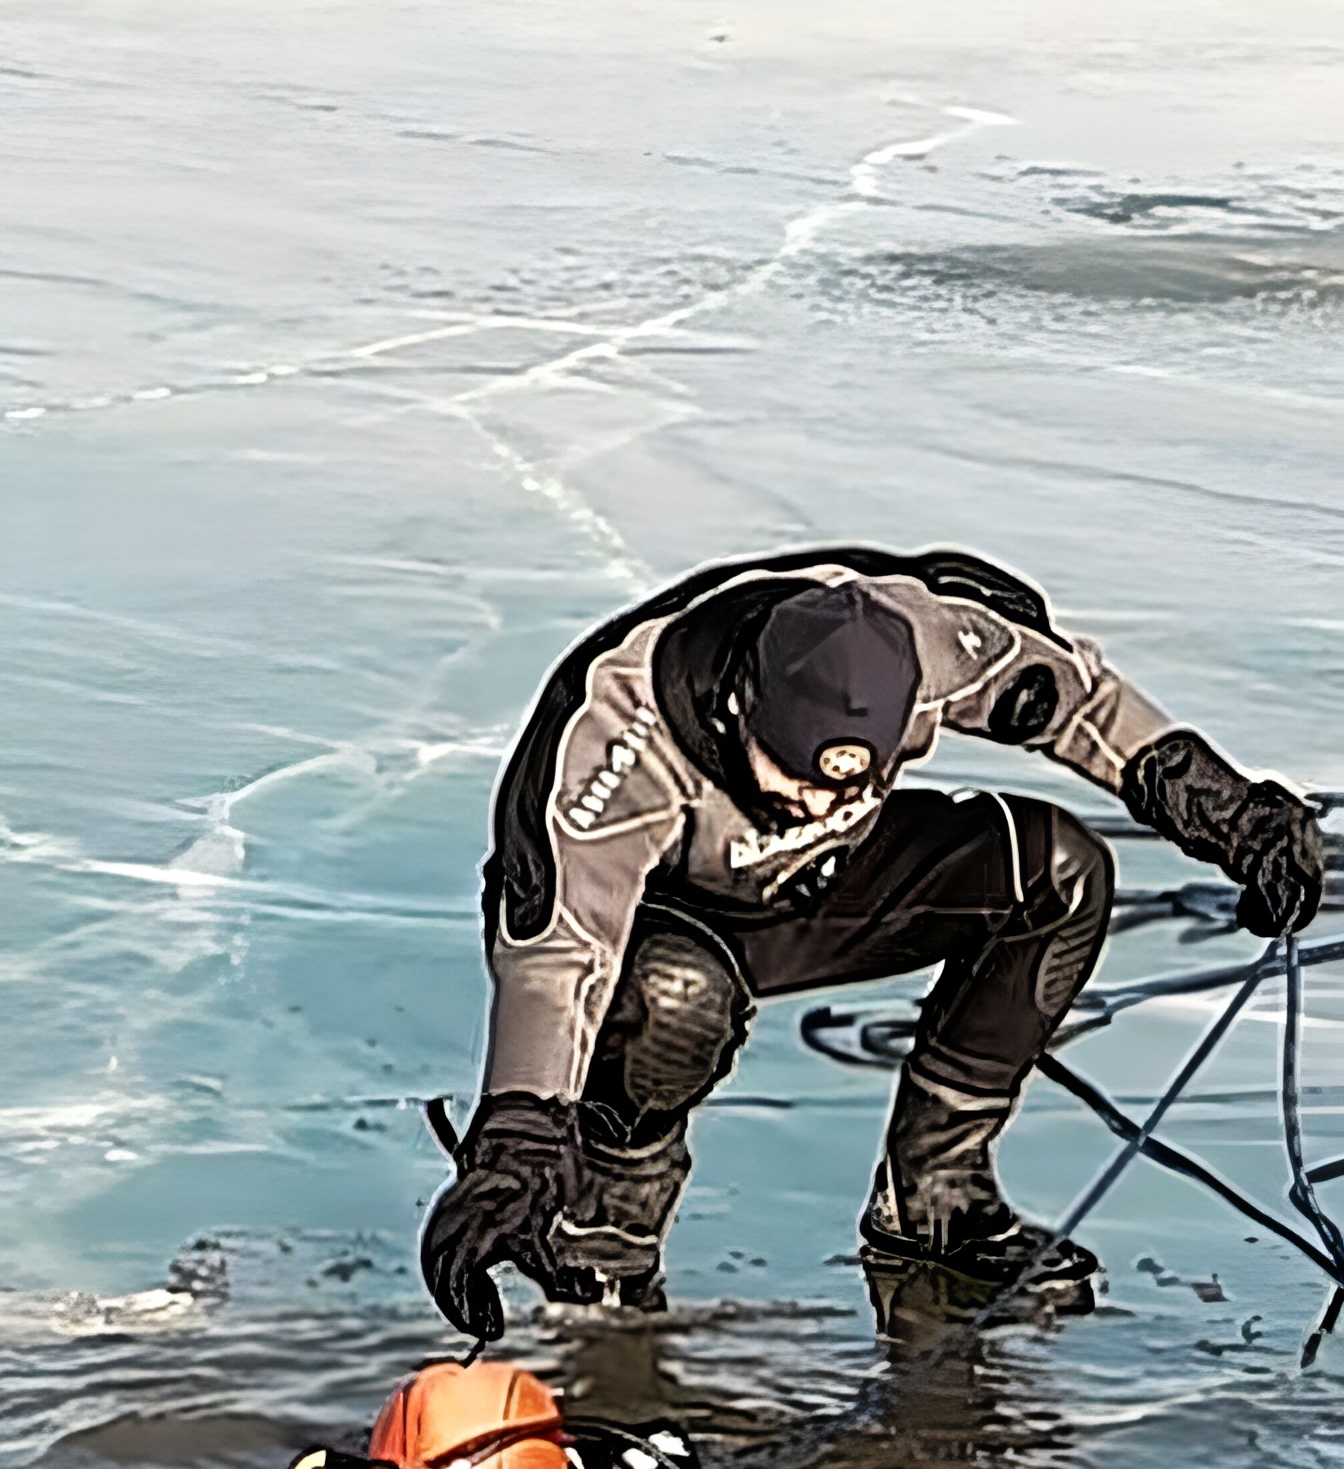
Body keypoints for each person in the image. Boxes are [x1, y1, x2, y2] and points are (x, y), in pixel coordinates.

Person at [420, 546, 1324, 1337]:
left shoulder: (922, 641)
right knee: (674, 1000)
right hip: (671, 919)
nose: (819, 801)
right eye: (797, 778)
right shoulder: (615, 739)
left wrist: (1230, 813)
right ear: (741, 709)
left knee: (1059, 871)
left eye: (851, 782)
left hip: (829, 889)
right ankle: (603, 1236)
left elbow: (1077, 703)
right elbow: (558, 959)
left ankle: (935, 1196)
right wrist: (517, 1142)